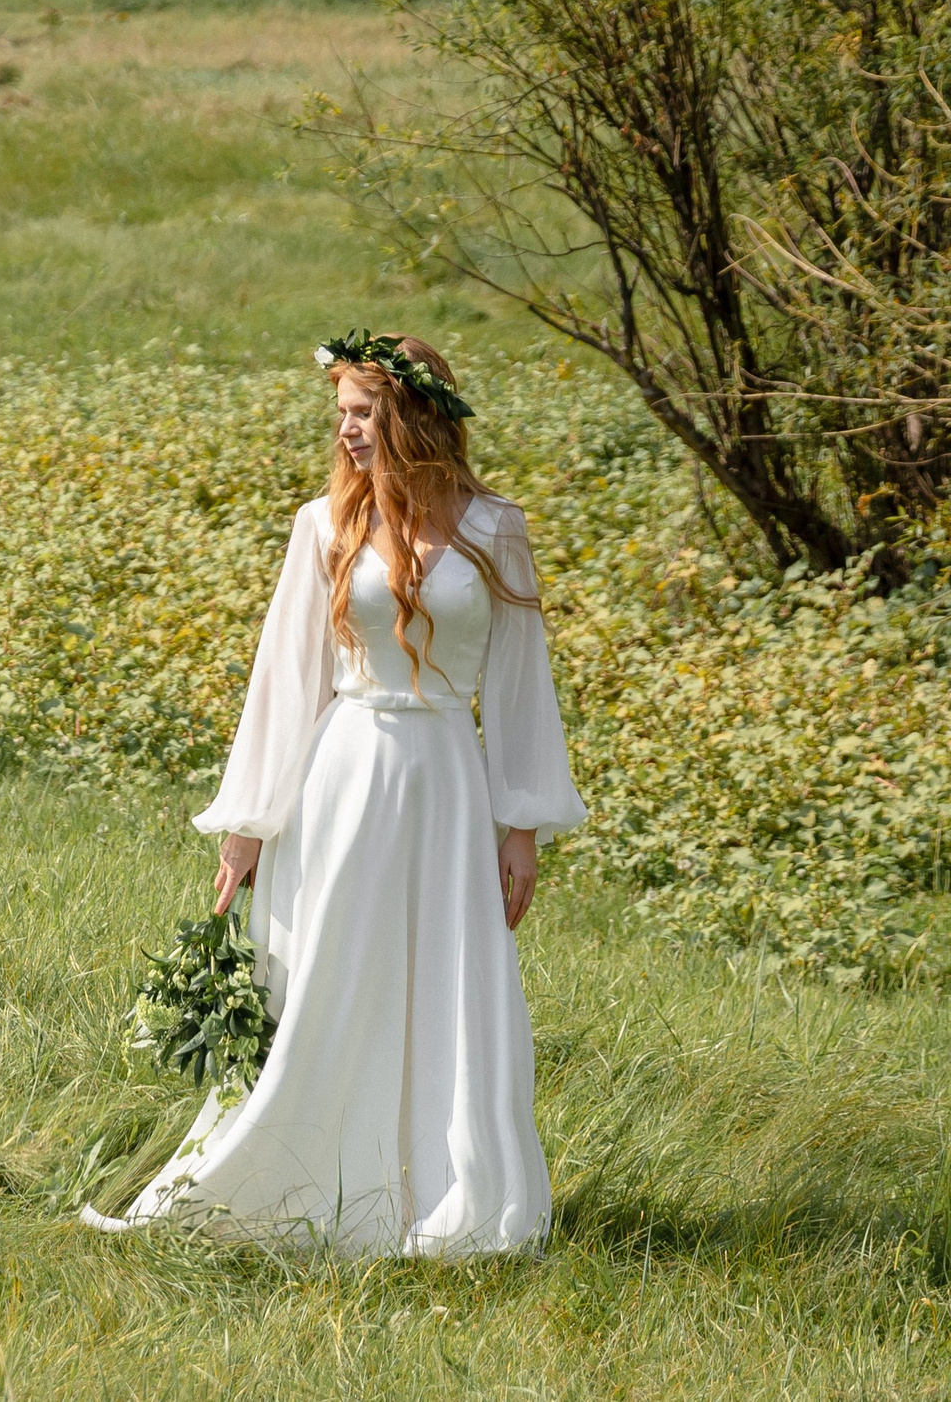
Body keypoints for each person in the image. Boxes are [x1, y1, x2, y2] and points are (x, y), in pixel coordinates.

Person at [81, 330, 585, 1256]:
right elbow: (286, 679)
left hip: (446, 784)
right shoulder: (324, 523)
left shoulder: (493, 529)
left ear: (412, 417)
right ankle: (296, 1177)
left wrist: (522, 825)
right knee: (332, 975)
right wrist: (248, 824)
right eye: (342, 415)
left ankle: (444, 1189)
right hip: (344, 774)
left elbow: (520, 682)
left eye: (362, 413)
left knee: (446, 980)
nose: (346, 432)